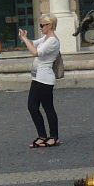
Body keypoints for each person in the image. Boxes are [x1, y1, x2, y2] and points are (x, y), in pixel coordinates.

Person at [19, 15, 61, 147]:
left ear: (50, 25)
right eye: (40, 25)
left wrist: (25, 39)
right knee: (32, 106)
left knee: (48, 108)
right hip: (37, 78)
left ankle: (54, 136)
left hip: (45, 79)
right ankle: (42, 135)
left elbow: (36, 52)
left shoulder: (53, 41)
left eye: (42, 25)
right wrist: (24, 37)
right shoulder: (45, 38)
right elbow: (33, 44)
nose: (40, 27)